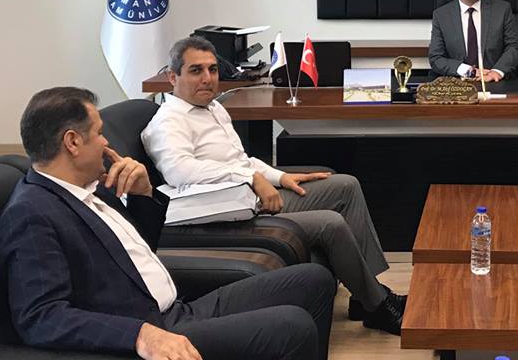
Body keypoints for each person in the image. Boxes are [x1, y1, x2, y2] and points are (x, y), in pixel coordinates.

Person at [0, 86, 335, 360]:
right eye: (98, 133)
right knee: (292, 327)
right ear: (72, 142)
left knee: (313, 279)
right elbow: (41, 317)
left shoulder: (93, 186)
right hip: (153, 330)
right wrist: (139, 335)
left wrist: (144, 194)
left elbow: (131, 258)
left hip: (180, 310)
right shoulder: (32, 214)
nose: (106, 142)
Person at [141, 36, 404, 336]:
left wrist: (279, 178)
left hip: (251, 193)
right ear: (172, 77)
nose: (207, 78)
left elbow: (243, 160)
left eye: (212, 70)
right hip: (229, 209)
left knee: (345, 186)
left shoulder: (213, 108)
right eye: (196, 70)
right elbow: (180, 172)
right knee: (330, 223)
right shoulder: (167, 122)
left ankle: (365, 295)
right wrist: (252, 179)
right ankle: (378, 305)